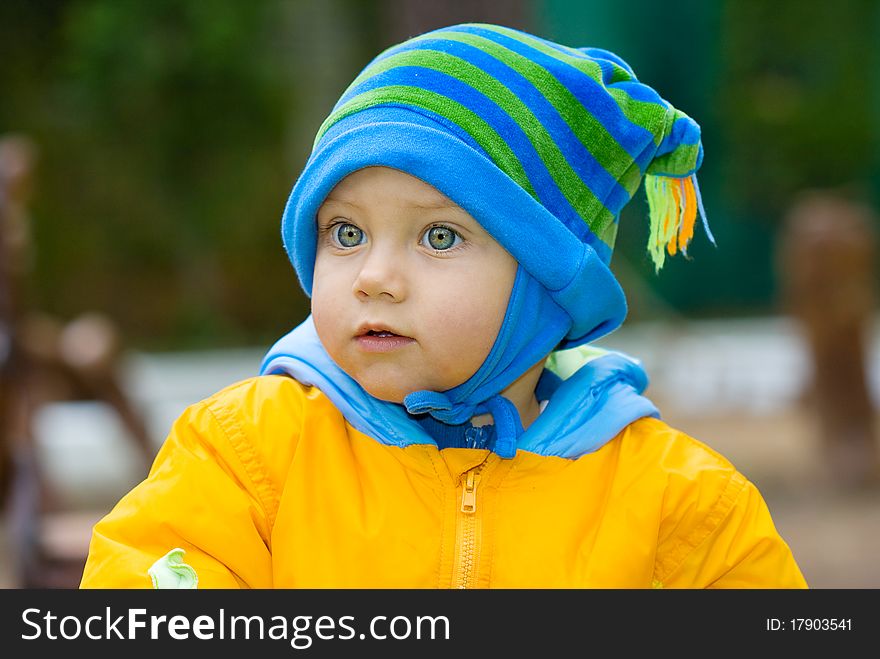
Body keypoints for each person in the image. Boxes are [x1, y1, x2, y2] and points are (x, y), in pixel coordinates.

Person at [80, 23, 807, 589]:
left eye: (438, 235)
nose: (375, 276)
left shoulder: (675, 504)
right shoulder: (251, 451)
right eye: (345, 232)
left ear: (545, 281)